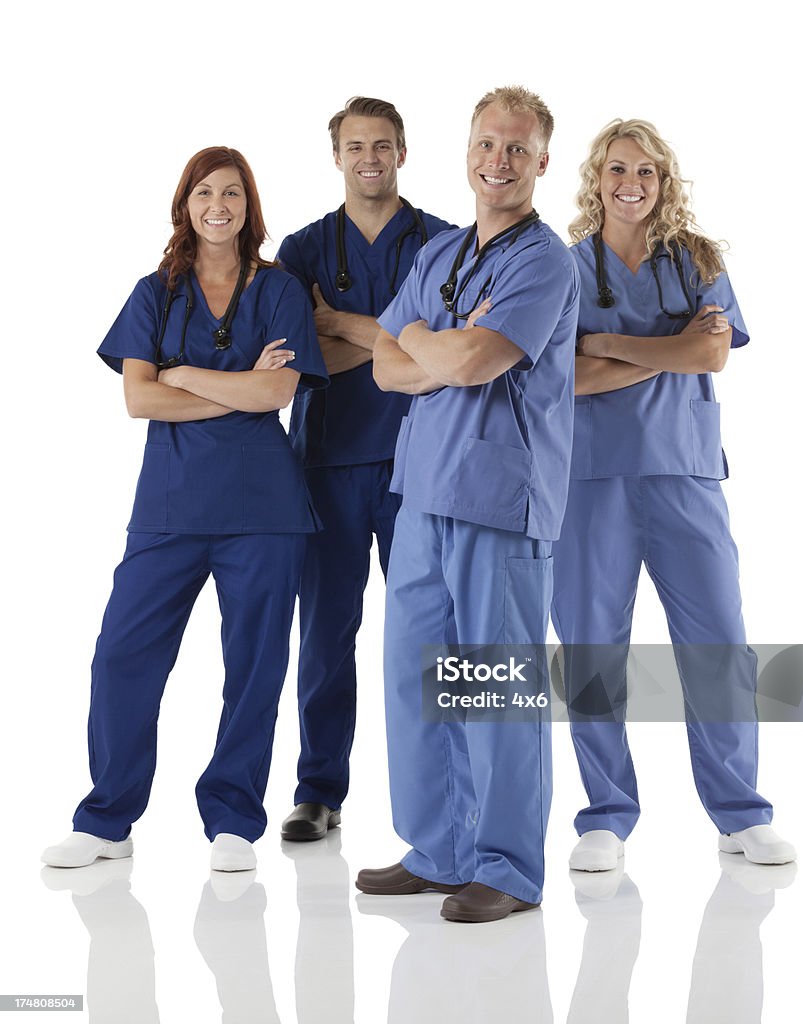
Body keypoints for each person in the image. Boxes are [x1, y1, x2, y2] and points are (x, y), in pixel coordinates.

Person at [42, 147, 328, 872]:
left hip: (265, 510)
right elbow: (140, 398)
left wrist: (187, 375)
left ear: (248, 206)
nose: (219, 205)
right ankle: (107, 817)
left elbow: (277, 395)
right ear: (186, 203)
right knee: (122, 655)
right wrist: (235, 385)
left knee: (255, 667)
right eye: (205, 192)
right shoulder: (155, 292)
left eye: (232, 192)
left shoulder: (281, 288)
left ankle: (233, 818)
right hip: (169, 508)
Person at [356, 86, 579, 922]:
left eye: (517, 149)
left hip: (499, 501)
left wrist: (433, 345)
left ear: (541, 162)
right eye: (488, 144)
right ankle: (438, 848)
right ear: (468, 151)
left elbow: (478, 363)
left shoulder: (545, 261)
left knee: (491, 689)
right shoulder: (441, 252)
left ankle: (509, 868)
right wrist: (429, 343)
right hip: (422, 495)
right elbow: (384, 362)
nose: (499, 161)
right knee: (418, 681)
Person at [550, 119, 796, 871]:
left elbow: (713, 351)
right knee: (592, 648)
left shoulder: (697, 258)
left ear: (665, 182)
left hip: (685, 472)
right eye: (617, 168)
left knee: (719, 641)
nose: (631, 183)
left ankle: (739, 812)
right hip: (590, 480)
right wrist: (669, 348)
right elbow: (562, 377)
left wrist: (613, 342)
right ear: (597, 178)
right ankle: (606, 815)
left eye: (647, 172)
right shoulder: (562, 269)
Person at [277, 97, 454, 842]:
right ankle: (319, 790)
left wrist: (342, 326)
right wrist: (399, 338)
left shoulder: (447, 241)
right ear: (338, 156)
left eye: (382, 144)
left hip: (424, 463)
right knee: (324, 636)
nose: (369, 157)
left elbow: (454, 351)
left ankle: (452, 793)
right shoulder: (302, 248)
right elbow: (293, 360)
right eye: (356, 146)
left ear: (403, 152)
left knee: (435, 638)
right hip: (327, 464)